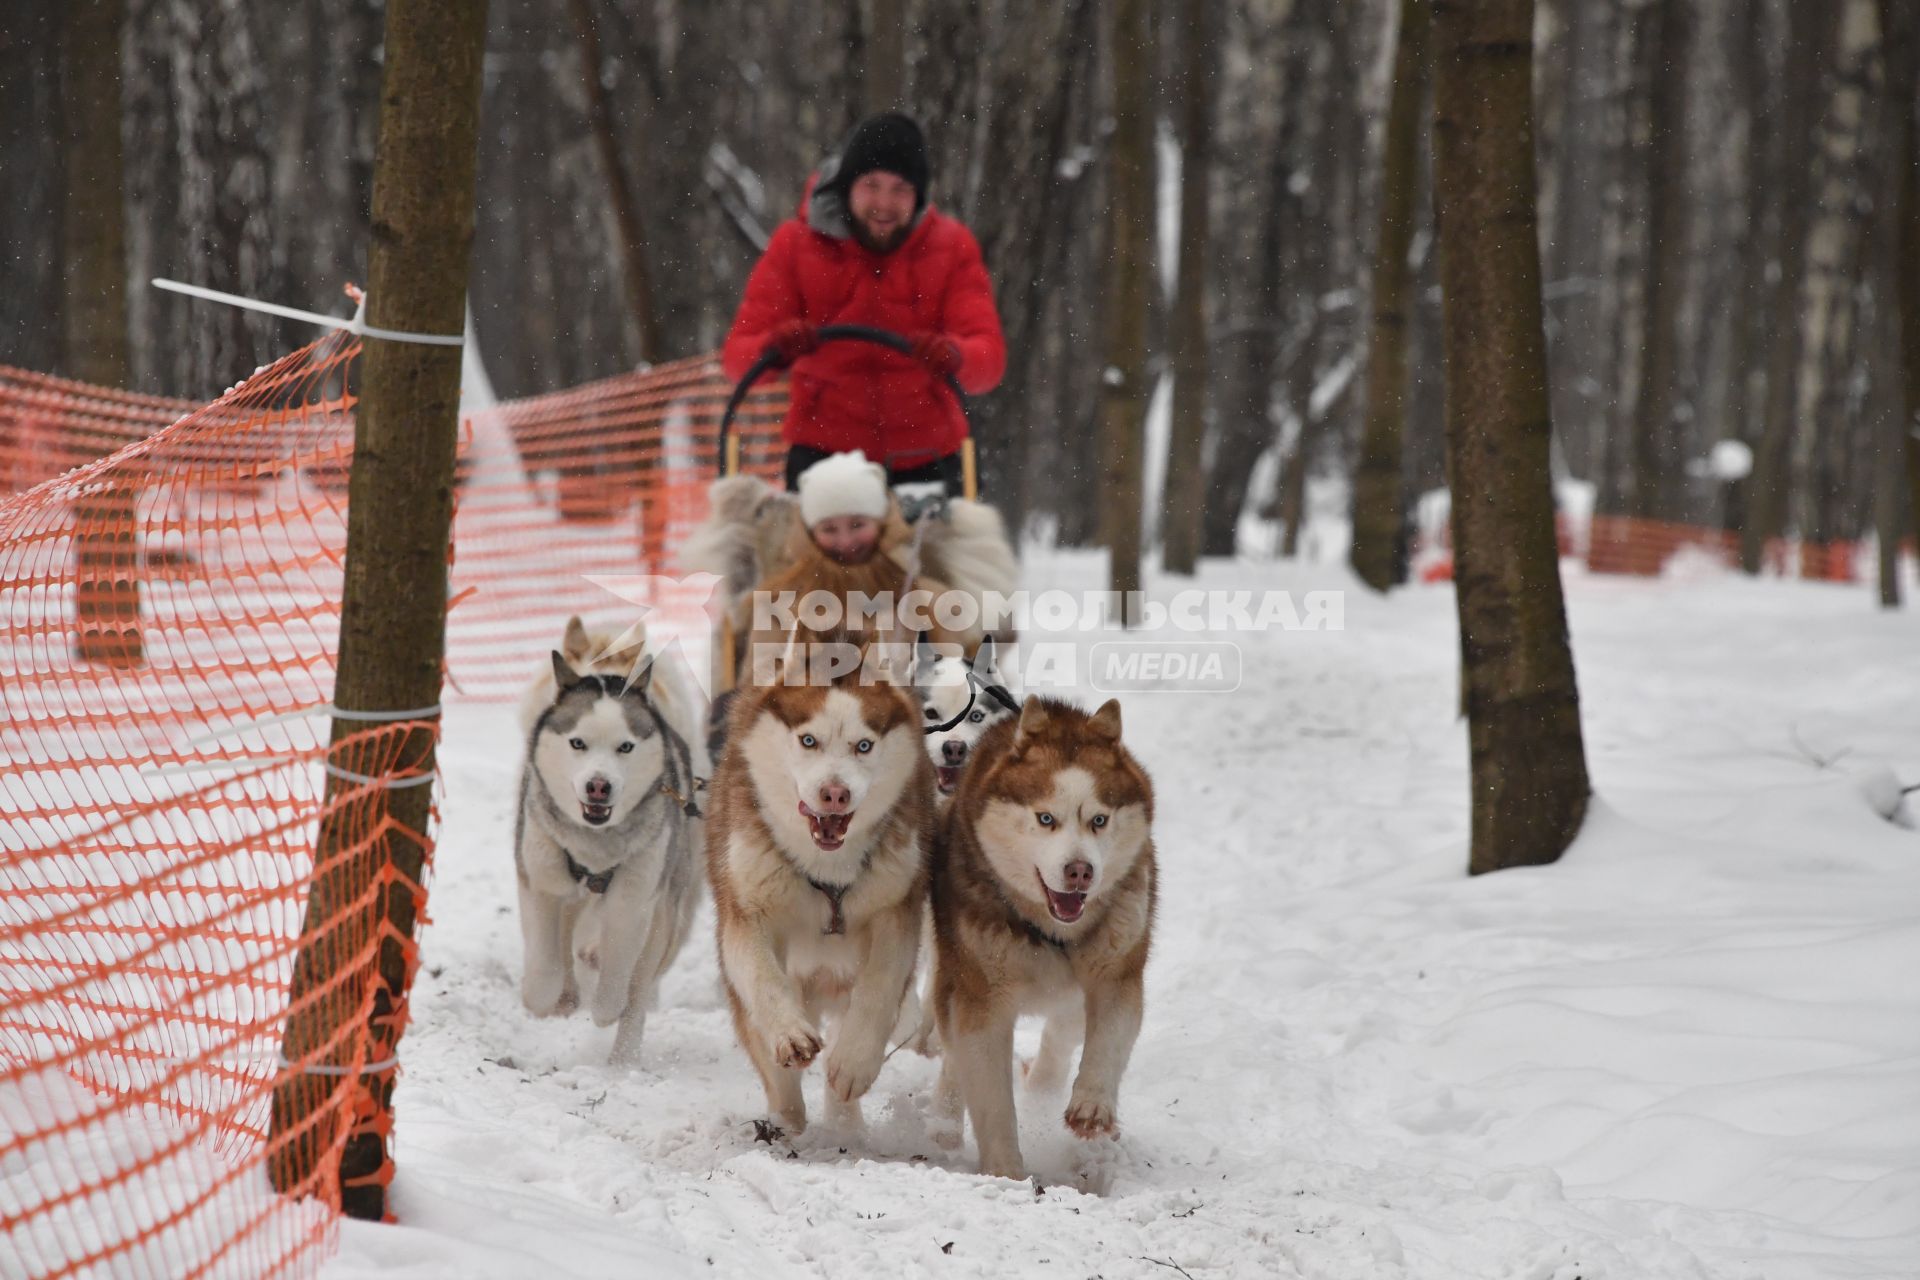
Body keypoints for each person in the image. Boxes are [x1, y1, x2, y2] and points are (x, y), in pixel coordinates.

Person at [722, 111, 1007, 495]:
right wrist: (775, 348)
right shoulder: (795, 246)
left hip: (926, 459)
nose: (884, 204)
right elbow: (738, 359)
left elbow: (988, 359)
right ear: (847, 186)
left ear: (919, 196)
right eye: (872, 185)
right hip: (826, 461)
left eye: (900, 189)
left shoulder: (952, 248)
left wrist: (955, 356)